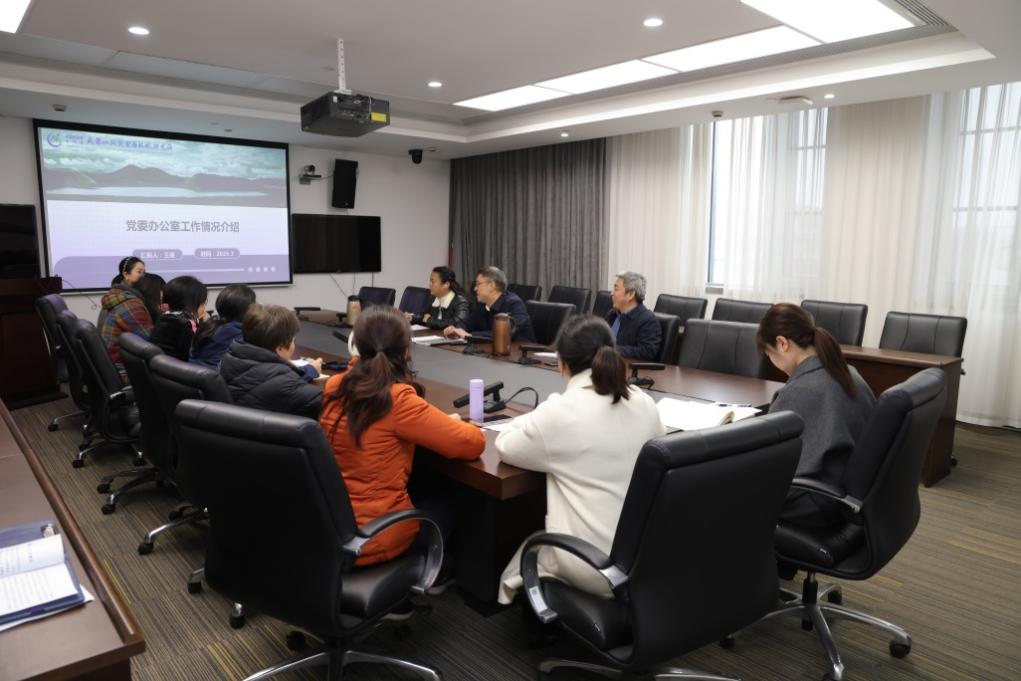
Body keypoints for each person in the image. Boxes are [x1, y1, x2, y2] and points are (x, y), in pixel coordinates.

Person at [495, 314, 666, 604]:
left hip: (593, 565)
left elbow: (506, 446)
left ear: (561, 362)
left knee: (518, 561)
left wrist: (533, 417)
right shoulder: (643, 401)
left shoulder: (562, 411)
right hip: (645, 557)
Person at [320, 306, 486, 567]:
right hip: (374, 536)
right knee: (462, 499)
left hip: (331, 525)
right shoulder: (397, 398)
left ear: (356, 345)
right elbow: (472, 443)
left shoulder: (335, 385)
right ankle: (440, 575)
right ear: (406, 350)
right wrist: (450, 424)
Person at [757, 303, 877, 526]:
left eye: (769, 354)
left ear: (782, 343)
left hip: (821, 500)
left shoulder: (801, 391)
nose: (772, 362)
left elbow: (771, 464)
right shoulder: (848, 371)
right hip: (851, 491)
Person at [219, 304, 324, 419]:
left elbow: (265, 382)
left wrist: (305, 371)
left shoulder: (226, 360)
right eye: (293, 341)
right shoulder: (286, 384)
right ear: (280, 348)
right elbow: (328, 404)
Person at [443, 265, 535, 342]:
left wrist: (470, 335)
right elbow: (467, 323)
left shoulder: (514, 304)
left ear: (492, 285)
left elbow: (503, 333)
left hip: (519, 353)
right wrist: (456, 330)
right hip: (490, 351)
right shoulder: (482, 304)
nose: (475, 288)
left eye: (478, 284)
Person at [98, 256, 154, 382]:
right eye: (139, 272)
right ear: (126, 274)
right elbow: (150, 341)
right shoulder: (130, 303)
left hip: (110, 363)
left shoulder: (116, 294)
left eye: (144, 272)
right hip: (121, 368)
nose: (143, 276)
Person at [191, 284, 256, 368]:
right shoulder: (242, 335)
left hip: (195, 372)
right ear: (247, 311)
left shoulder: (209, 326)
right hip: (216, 374)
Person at [604, 271, 662, 360]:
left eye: (616, 289)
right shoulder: (612, 314)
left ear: (630, 294)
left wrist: (611, 350)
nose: (612, 293)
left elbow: (647, 352)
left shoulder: (648, 320)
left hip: (624, 366)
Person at [148, 276, 208, 361]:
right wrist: (205, 325)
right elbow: (197, 352)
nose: (204, 308)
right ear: (190, 304)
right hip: (178, 366)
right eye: (203, 303)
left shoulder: (163, 316)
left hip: (161, 364)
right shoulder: (187, 323)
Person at [407, 266, 471, 329]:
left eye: (433, 282)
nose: (429, 285)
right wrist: (413, 318)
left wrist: (431, 321)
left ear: (446, 285)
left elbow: (458, 323)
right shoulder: (433, 298)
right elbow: (425, 318)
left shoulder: (460, 301)